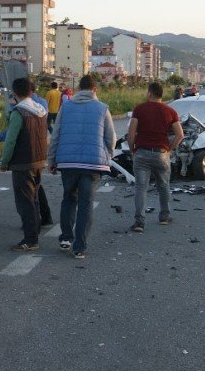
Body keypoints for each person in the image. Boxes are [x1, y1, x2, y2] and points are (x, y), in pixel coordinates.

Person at [46, 74, 116, 259]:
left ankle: (65, 238)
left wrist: (51, 160)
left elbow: (56, 135)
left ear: (79, 88)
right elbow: (111, 138)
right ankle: (79, 247)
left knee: (69, 198)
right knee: (86, 204)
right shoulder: (102, 108)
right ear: (95, 89)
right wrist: (107, 155)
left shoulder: (66, 106)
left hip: (67, 164)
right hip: (92, 165)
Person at [0, 77, 49, 251]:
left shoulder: (18, 112)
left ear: (15, 92)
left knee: (25, 202)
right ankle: (34, 231)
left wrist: (4, 162)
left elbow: (10, 141)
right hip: (39, 160)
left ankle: (31, 239)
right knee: (34, 198)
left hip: (23, 162)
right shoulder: (41, 110)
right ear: (31, 91)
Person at [127, 82, 184, 232]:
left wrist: (132, 149)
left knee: (141, 188)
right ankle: (165, 217)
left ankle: (139, 222)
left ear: (150, 93)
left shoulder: (139, 109)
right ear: (161, 95)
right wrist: (169, 149)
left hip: (142, 153)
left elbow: (131, 133)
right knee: (164, 186)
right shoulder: (170, 111)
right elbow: (180, 135)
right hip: (161, 154)